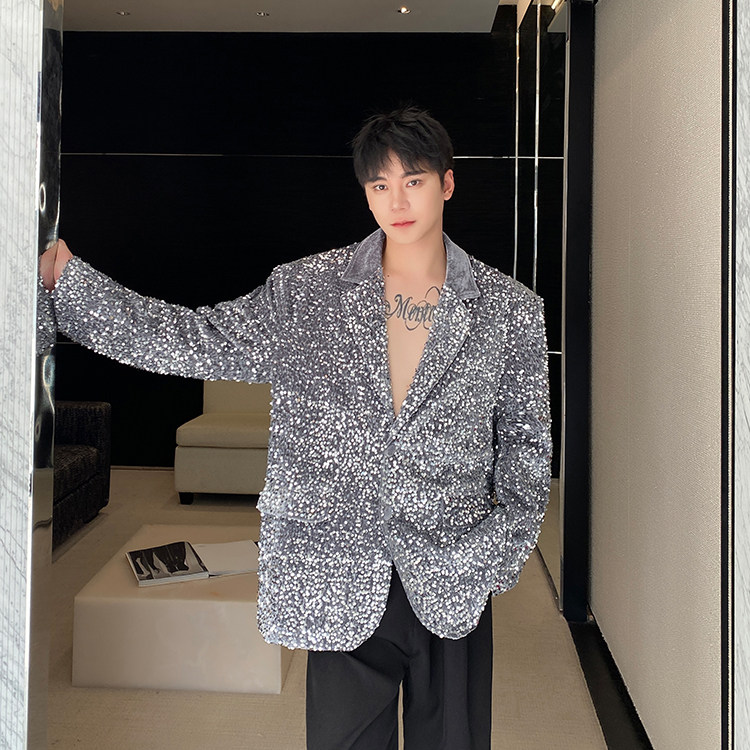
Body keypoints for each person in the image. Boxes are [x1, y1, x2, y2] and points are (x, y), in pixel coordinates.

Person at [39, 106, 552, 750]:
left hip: (454, 571)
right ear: (365, 192)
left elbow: (528, 458)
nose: (397, 201)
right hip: (335, 568)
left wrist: (488, 561)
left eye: (414, 181)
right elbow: (195, 339)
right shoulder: (308, 292)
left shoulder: (509, 310)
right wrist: (72, 286)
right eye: (379, 185)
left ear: (447, 183)